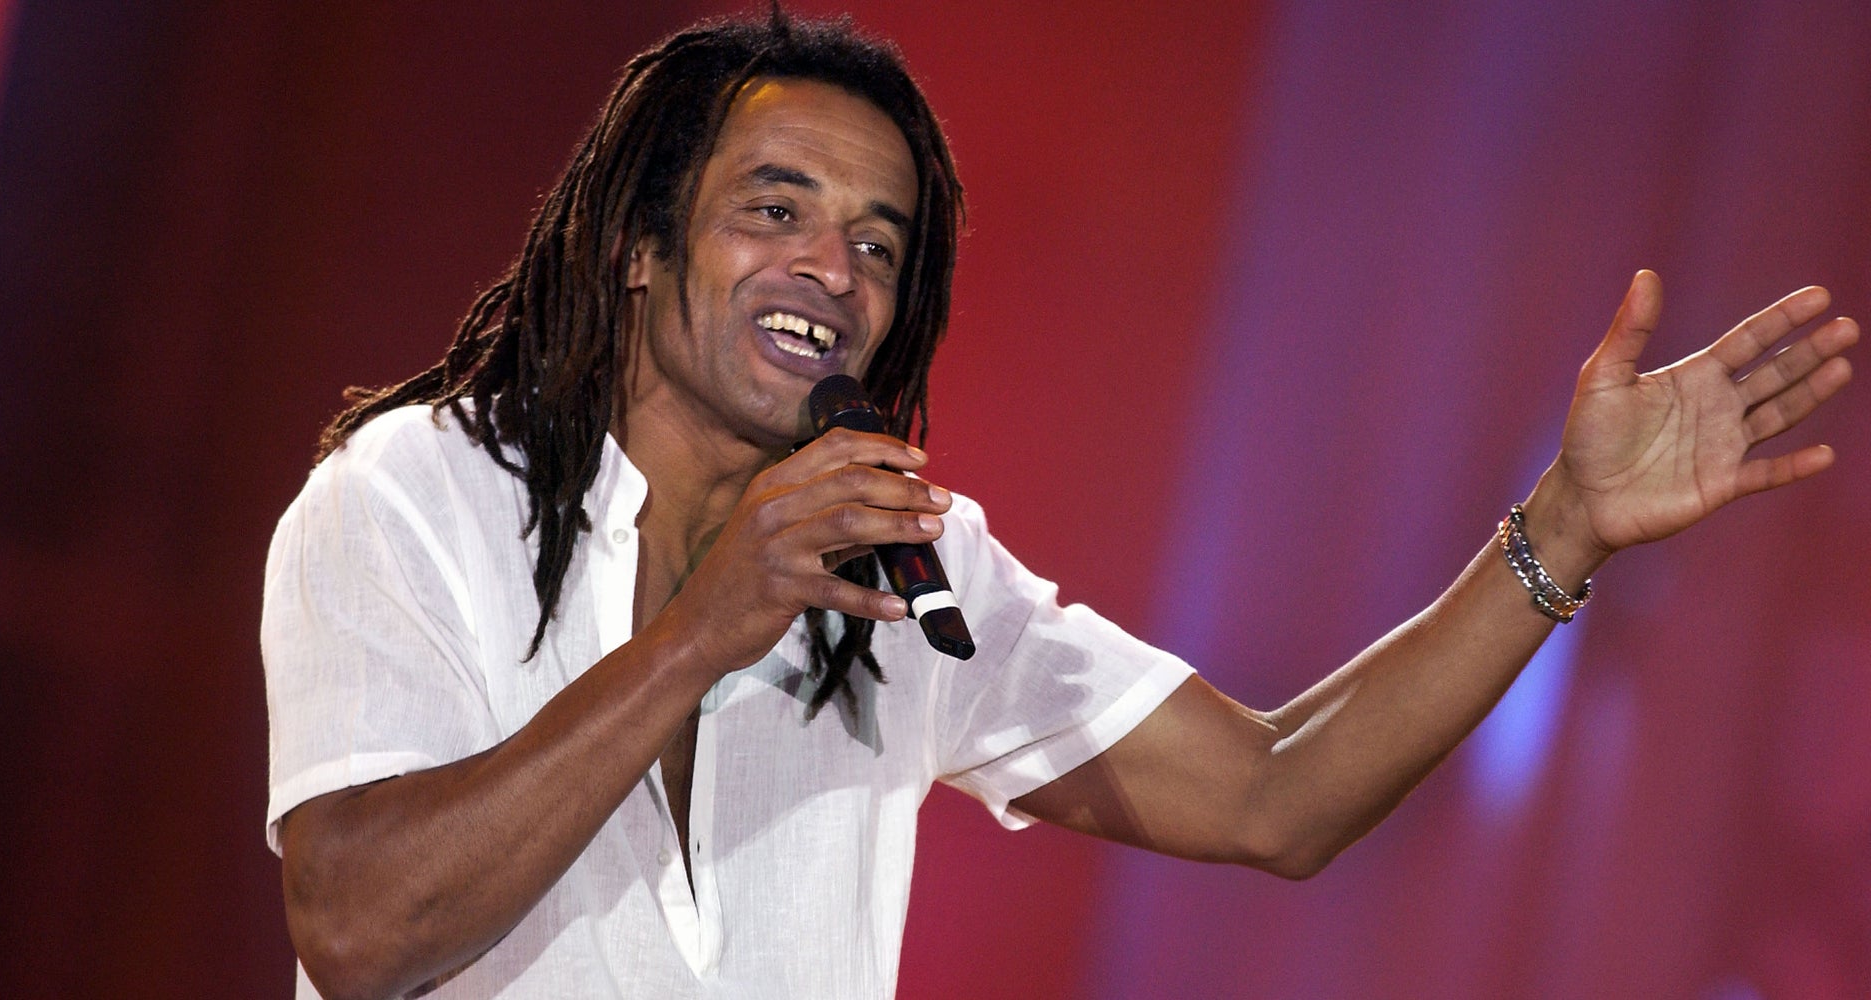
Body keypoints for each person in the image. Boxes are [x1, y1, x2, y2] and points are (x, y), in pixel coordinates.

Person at [259, 12, 1857, 1000]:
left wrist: (1565, 526)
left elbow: (1276, 793)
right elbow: (359, 928)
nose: (833, 269)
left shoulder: (907, 564)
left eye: (878, 244)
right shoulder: (413, 496)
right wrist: (701, 632)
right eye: (775, 210)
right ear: (637, 243)